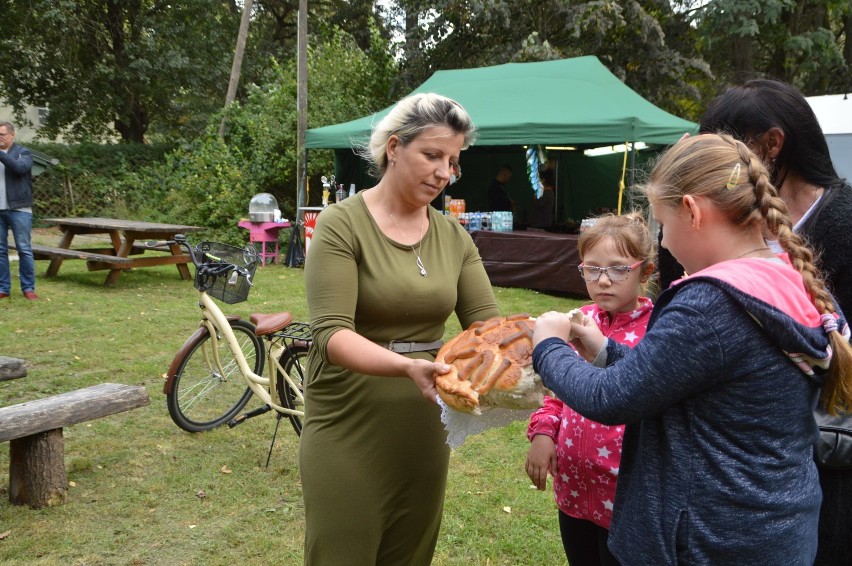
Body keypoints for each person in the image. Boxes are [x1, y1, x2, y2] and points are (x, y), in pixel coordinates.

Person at [532, 133, 852, 564]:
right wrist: (605, 348)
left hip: (707, 539)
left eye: (663, 225)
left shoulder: (710, 304)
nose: (662, 243)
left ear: (692, 211)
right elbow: (681, 376)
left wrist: (549, 345)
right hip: (772, 529)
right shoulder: (781, 279)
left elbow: (612, 398)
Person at [300, 93, 501, 565]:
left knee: (409, 554)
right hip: (348, 420)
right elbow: (332, 335)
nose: (443, 172)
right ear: (394, 148)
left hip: (425, 424)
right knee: (340, 553)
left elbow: (489, 328)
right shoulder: (340, 224)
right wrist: (408, 367)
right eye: (431, 155)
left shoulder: (454, 236)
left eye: (452, 161)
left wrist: (555, 334)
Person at [661, 78, 852, 565]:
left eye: (723, 147)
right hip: (731, 474)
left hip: (820, 468)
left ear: (771, 145)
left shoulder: (843, 225)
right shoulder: (729, 224)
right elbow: (673, 294)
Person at [525, 212, 655, 566]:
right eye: (592, 269)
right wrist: (543, 432)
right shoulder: (577, 322)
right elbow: (554, 388)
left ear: (645, 271)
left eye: (618, 269)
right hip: (573, 488)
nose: (603, 281)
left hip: (625, 499)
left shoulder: (658, 333)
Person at [0, 121, 36, 301]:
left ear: (12, 135)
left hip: (19, 209)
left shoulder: (24, 152)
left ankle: (28, 288)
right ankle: (3, 288)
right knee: (0, 251)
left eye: (2, 135)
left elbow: (19, 168)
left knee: (24, 250)